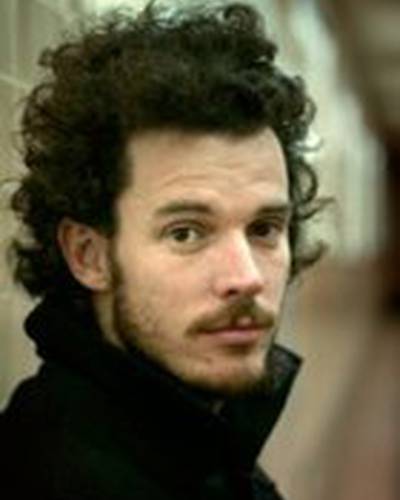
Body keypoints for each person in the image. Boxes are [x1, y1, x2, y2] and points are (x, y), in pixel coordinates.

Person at [0, 2, 324, 499]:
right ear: (89, 255)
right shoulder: (56, 475)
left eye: (263, 228)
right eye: (186, 233)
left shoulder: (201, 439)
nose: (247, 277)